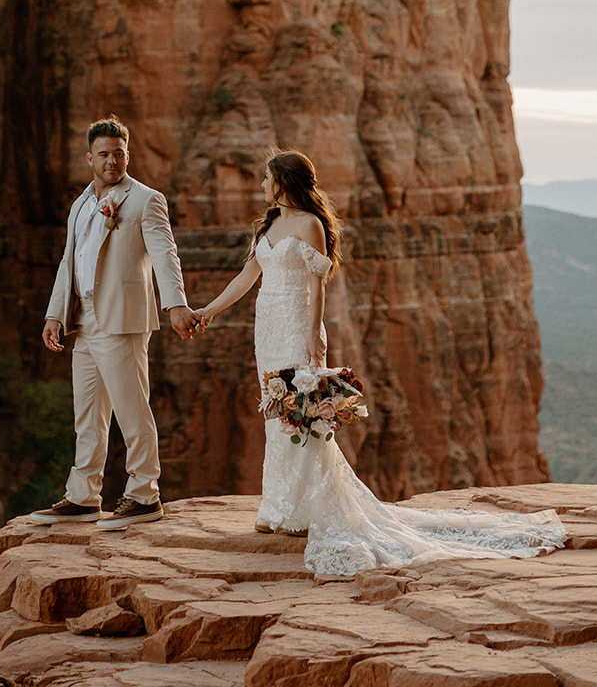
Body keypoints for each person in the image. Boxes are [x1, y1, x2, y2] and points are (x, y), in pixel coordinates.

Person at [192, 147, 565, 577]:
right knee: (277, 412)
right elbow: (246, 277)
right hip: (268, 328)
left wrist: (314, 335)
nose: (261, 184)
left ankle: (305, 510)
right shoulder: (271, 224)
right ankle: (279, 507)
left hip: (296, 325)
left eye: (266, 178)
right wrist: (210, 310)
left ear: (283, 181)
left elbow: (319, 286)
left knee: (304, 415)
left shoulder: (311, 225)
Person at [33, 113, 202, 531]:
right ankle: (83, 496)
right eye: (104, 154)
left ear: (129, 155)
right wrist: (55, 313)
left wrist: (175, 303)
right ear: (89, 157)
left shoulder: (146, 200)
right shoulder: (80, 204)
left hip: (122, 318)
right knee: (87, 412)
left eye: (120, 153)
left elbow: (165, 254)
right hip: (84, 320)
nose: (113, 161)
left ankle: (145, 495)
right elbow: (68, 262)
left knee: (131, 408)